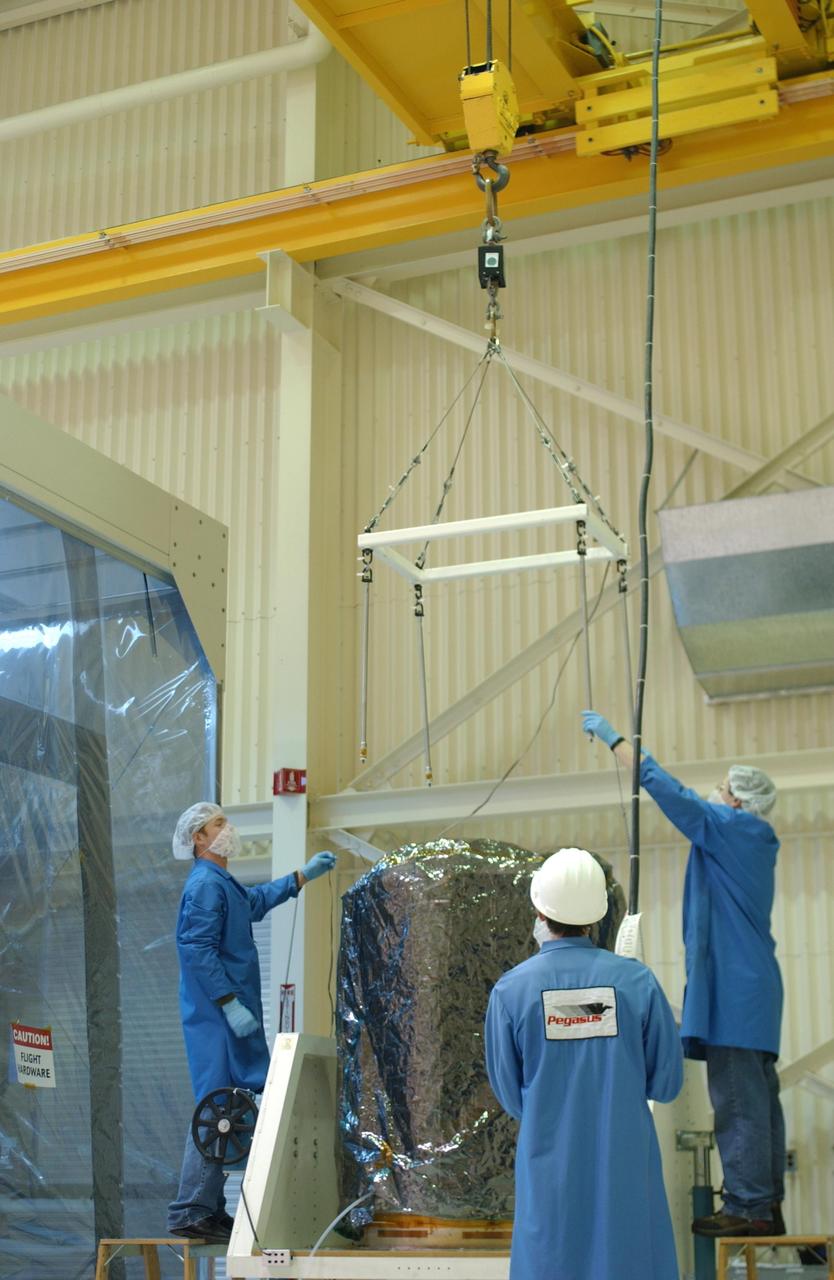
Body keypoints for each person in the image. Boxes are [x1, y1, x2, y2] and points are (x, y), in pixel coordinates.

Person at [582, 709, 785, 1239]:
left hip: (736, 992)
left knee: (737, 1100)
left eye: (721, 789)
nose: (715, 795)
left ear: (738, 800)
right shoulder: (751, 840)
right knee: (761, 1097)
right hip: (754, 988)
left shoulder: (732, 827)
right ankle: (767, 1202)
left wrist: (615, 742)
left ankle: (747, 1207)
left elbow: (666, 791)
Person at [485, 847, 683, 1280]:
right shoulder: (637, 983)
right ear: (597, 915)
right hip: (627, 1179)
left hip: (549, 1180)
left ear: (539, 909)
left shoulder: (510, 992)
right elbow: (666, 1084)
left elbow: (510, 1095)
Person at [166, 801, 337, 1242]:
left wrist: (301, 877)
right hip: (216, 1016)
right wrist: (227, 1002)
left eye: (225, 820)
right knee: (218, 1109)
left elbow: (254, 902)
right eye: (217, 824)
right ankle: (189, 1208)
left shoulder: (223, 883)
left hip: (228, 1013)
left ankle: (208, 1206)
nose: (228, 828)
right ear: (197, 839)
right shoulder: (205, 884)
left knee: (228, 1106)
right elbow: (196, 949)